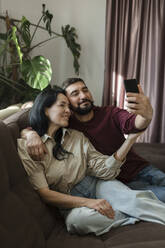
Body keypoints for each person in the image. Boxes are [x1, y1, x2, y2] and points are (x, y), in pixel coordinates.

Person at [18, 87, 165, 236]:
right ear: (45, 109)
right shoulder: (28, 146)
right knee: (77, 222)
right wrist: (88, 203)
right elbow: (45, 194)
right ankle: (132, 212)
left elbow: (104, 170)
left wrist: (130, 140)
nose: (68, 110)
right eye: (62, 105)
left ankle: (134, 208)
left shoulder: (77, 136)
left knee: (133, 201)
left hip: (96, 184)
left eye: (69, 106)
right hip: (69, 202)